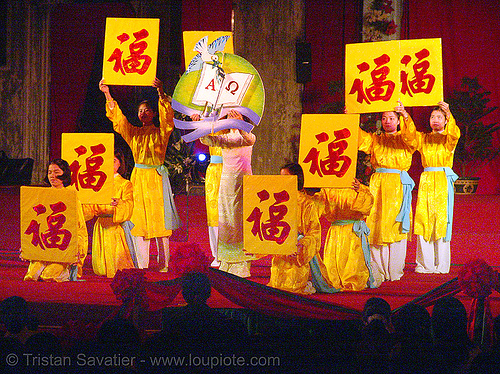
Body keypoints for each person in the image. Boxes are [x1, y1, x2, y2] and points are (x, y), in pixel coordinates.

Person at [99, 78, 180, 272]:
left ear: (153, 113)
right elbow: (119, 121)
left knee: (160, 221)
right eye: (140, 111)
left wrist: (160, 92)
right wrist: (107, 93)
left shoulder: (161, 133)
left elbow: (168, 119)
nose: (143, 113)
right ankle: (141, 264)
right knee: (138, 221)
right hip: (139, 179)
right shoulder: (134, 133)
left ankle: (164, 264)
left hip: (156, 179)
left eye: (147, 110)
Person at [358, 102, 418, 283]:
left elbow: (412, 137)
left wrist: (405, 114)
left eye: (392, 118)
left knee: (396, 225)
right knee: (376, 226)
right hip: (378, 184)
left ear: (399, 121)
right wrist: (350, 117)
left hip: (397, 185)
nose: (387, 122)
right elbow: (359, 139)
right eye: (384, 118)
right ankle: (379, 270)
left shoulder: (405, 139)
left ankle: (395, 270)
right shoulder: (376, 139)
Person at [400, 101, 460, 274]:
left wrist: (449, 112)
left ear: (445, 120)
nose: (435, 120)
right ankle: (424, 264)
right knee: (424, 220)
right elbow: (409, 137)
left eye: (439, 117)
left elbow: (455, 134)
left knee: (441, 221)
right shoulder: (423, 138)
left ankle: (441, 265)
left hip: (442, 181)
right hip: (426, 180)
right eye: (433, 117)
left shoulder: (448, 139)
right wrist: (405, 115)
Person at [199, 110, 256, 277]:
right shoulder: (225, 137)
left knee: (242, 221)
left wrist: (240, 125)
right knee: (226, 221)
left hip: (243, 182)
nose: (232, 119)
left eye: (236, 116)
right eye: (229, 117)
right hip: (226, 182)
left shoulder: (248, 135)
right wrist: (201, 122)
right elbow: (207, 139)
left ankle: (242, 263)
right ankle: (227, 261)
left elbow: (247, 139)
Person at [24, 159, 88, 282]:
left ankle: (67, 271)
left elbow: (80, 228)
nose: (52, 176)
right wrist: (28, 248)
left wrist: (78, 251)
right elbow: (33, 222)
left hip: (62, 248)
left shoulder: (71, 197)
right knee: (31, 276)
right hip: (45, 247)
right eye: (49, 172)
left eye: (56, 172)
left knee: (49, 276)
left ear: (64, 174)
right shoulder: (41, 195)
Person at [268, 162, 322, 294]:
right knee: (277, 285)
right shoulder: (275, 200)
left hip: (297, 249)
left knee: (293, 287)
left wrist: (301, 244)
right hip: (280, 246)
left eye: (286, 176)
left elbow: (314, 232)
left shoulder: (307, 203)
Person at [313, 178, 376, 291]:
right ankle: (334, 280)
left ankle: (352, 280)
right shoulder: (327, 189)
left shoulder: (357, 188)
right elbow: (316, 206)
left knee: (352, 259)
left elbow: (367, 204)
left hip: (352, 230)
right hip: (337, 229)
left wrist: (360, 189)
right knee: (335, 260)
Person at [83, 149, 137, 278]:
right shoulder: (99, 182)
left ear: (119, 164)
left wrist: (119, 203)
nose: (110, 164)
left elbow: (130, 203)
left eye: (114, 161)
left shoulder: (125, 184)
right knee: (101, 268)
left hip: (115, 224)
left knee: (118, 262)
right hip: (101, 223)